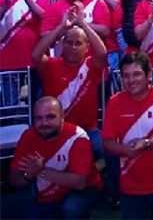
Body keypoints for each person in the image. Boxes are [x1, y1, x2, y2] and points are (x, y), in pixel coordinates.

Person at [102, 52, 153, 219]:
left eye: (137, 74)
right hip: (131, 187)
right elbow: (107, 142)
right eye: (126, 76)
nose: (131, 80)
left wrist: (148, 143)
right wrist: (126, 150)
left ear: (149, 75)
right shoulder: (114, 102)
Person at [31, 8, 108, 160]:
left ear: (87, 48)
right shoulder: (51, 65)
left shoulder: (91, 66)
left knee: (108, 154)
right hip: (55, 132)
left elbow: (102, 53)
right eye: (69, 42)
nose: (73, 47)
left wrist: (83, 24)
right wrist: (61, 26)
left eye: (78, 43)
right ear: (62, 44)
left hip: (88, 131)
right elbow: (36, 55)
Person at [8, 97, 103, 219]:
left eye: (50, 117)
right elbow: (13, 178)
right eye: (39, 118)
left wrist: (41, 171)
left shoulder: (77, 136)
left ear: (62, 117)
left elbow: (80, 183)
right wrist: (27, 175)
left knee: (72, 207)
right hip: (44, 192)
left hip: (83, 190)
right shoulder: (28, 136)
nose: (44, 123)